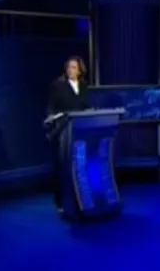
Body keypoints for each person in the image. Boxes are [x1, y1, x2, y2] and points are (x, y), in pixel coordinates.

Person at [46, 55, 91, 214]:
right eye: (68, 67)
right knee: (61, 166)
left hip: (80, 131)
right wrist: (50, 118)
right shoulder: (58, 86)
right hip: (64, 131)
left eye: (74, 67)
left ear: (80, 70)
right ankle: (60, 201)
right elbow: (51, 107)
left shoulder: (84, 86)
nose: (70, 70)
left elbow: (85, 106)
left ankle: (80, 198)